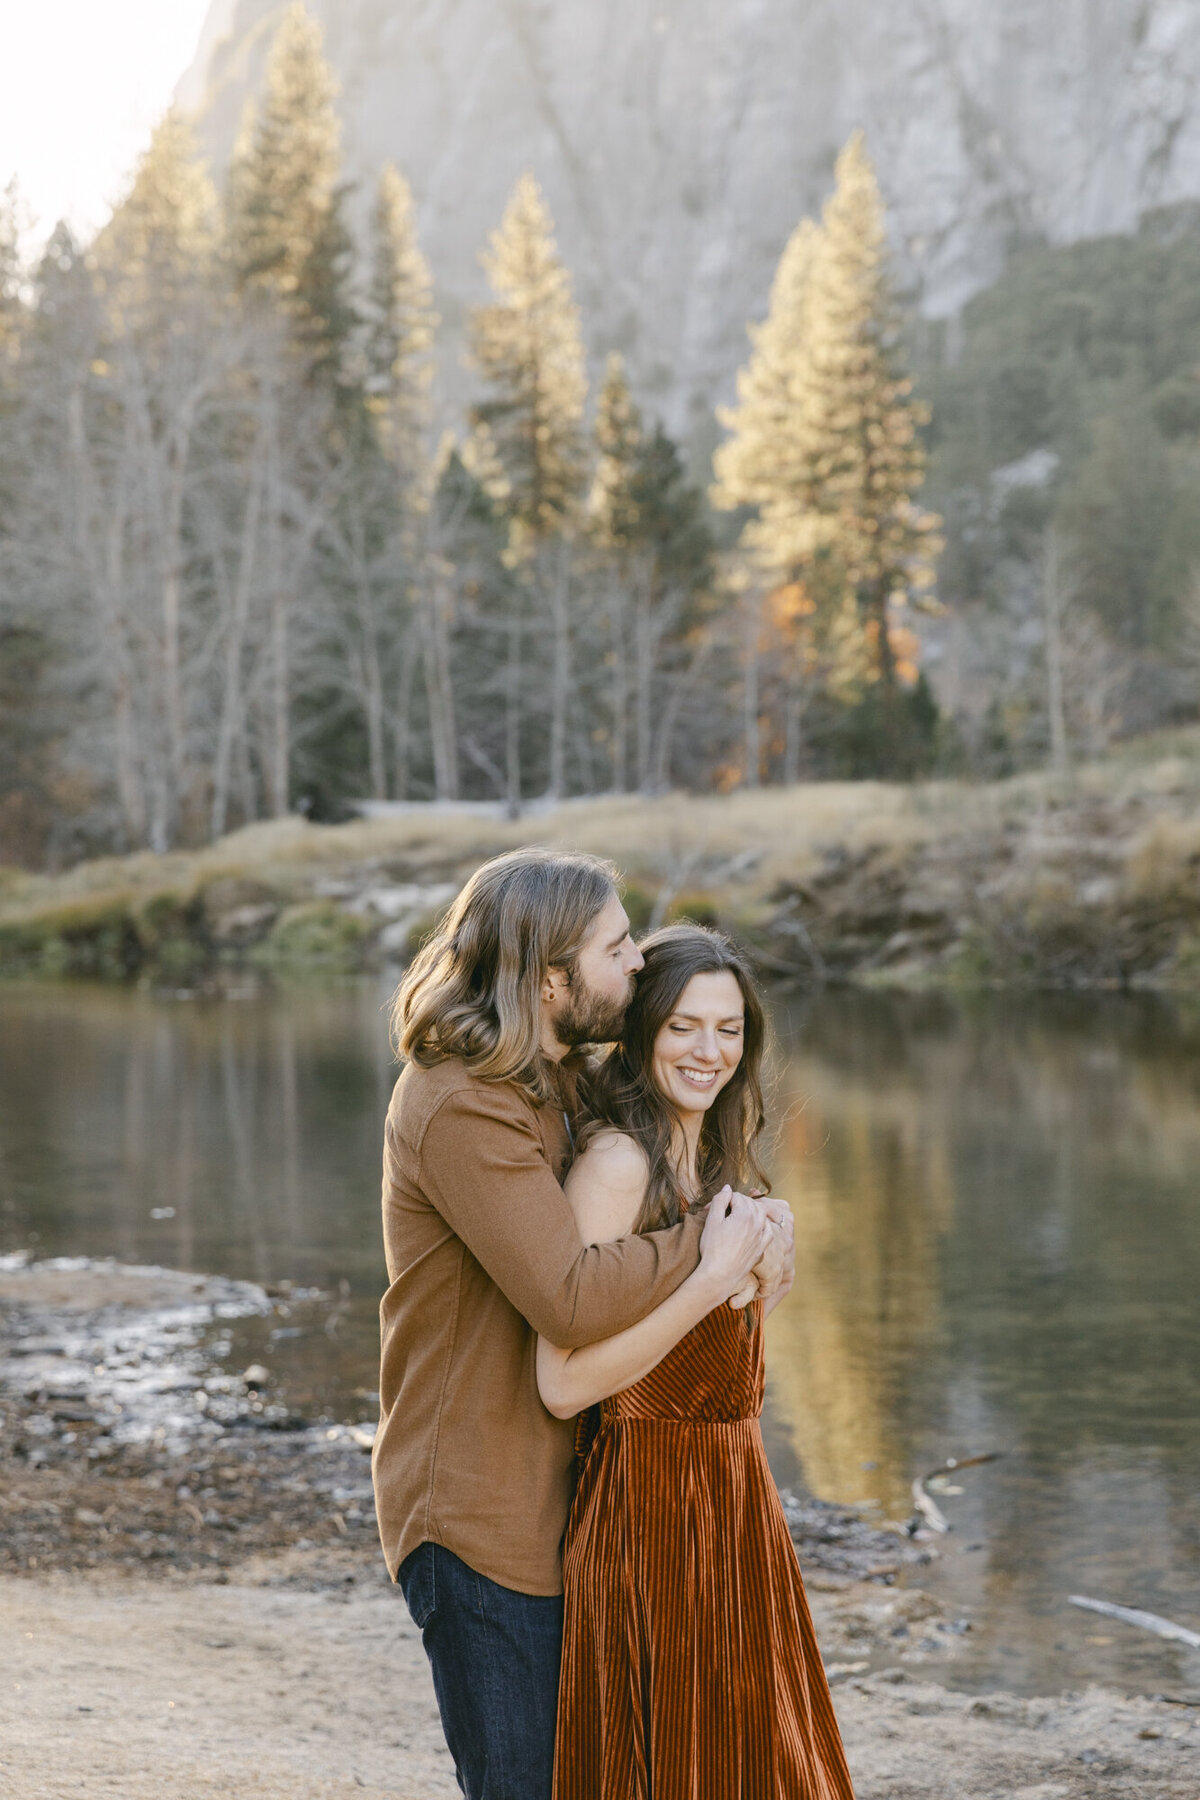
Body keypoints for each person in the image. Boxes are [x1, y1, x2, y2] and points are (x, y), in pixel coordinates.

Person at [373, 850, 787, 1800]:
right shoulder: (461, 1102)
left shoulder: (548, 1080)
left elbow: (658, 1147)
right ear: (552, 976)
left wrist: (761, 1219)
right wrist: (710, 1246)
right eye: (617, 946)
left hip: (570, 1506)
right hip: (480, 1508)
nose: (638, 961)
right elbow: (566, 1296)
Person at [538, 923, 857, 1800]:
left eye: (728, 1029)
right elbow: (560, 1384)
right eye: (683, 1025)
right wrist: (712, 1273)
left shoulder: (715, 1165)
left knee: (763, 1763)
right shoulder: (614, 1165)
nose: (708, 1051)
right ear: (641, 1032)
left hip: (738, 1499)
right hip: (648, 1511)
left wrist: (765, 1233)